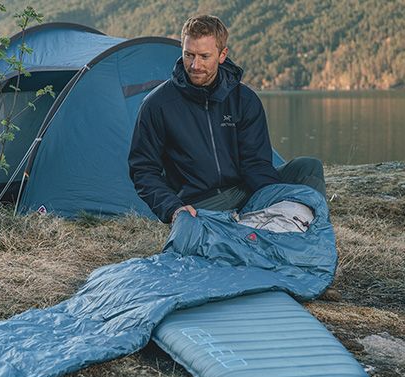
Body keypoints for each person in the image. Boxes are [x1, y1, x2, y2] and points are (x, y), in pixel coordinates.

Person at [129, 15, 326, 224]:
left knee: (308, 167)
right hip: (200, 204)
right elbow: (143, 170)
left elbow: (256, 164)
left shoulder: (244, 99)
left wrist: (271, 198)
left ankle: (310, 230)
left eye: (204, 56)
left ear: (222, 54)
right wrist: (173, 208)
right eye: (189, 55)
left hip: (245, 191)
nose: (195, 65)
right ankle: (263, 225)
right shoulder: (157, 104)